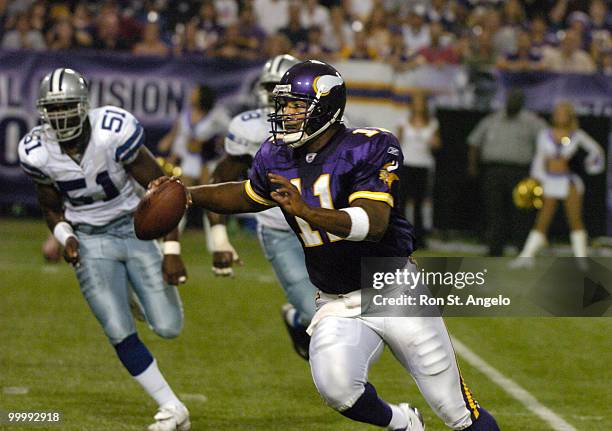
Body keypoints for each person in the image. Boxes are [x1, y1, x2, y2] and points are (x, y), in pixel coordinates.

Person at [149, 60, 499, 431]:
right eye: (284, 105)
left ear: (326, 108)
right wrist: (187, 195)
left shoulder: (371, 146)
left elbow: (373, 224)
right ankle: (404, 423)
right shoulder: (275, 153)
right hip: (336, 299)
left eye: (296, 106)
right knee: (337, 388)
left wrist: (307, 211)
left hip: (392, 289)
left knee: (455, 410)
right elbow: (246, 194)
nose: (286, 114)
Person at [19, 68, 190, 431]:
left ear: (84, 106)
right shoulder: (36, 150)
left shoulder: (113, 131)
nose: (61, 116)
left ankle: (130, 293)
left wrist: (172, 248)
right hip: (89, 237)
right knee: (116, 328)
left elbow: (165, 191)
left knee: (169, 326)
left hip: (135, 228)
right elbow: (52, 209)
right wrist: (67, 238)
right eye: (53, 109)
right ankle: (172, 407)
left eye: (67, 107)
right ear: (42, 112)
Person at [206, 54, 316, 360]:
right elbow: (220, 181)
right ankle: (300, 320)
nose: (279, 97)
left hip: (322, 226)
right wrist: (219, 237)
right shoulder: (249, 127)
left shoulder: (329, 125)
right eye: (273, 88)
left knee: (351, 310)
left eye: (288, 90)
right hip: (279, 230)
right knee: (319, 317)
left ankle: (300, 319)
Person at [515, 101, 605, 260]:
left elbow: (596, 151)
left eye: (563, 113)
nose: (560, 116)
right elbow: (539, 159)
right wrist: (537, 178)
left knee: (575, 220)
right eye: (557, 113)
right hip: (549, 181)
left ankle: (581, 259)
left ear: (569, 116)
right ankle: (526, 256)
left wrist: (589, 166)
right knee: (542, 219)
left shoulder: (577, 135)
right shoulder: (544, 134)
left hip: (567, 182)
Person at [468, 89, 547, 256]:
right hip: (493, 170)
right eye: (511, 99)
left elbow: (547, 142)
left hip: (520, 171)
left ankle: (522, 248)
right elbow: (474, 142)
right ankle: (495, 247)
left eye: (517, 100)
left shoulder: (531, 121)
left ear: (522, 102)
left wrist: (541, 169)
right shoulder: (492, 119)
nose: (513, 103)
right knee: (494, 209)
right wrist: (472, 166)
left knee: (521, 211)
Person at [397, 91, 441, 247]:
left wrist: (433, 142)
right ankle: (399, 235)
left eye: (421, 102)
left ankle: (419, 237)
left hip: (423, 165)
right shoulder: (403, 121)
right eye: (416, 102)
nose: (418, 105)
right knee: (402, 201)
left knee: (419, 202)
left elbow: (437, 144)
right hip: (407, 163)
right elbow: (398, 142)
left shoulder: (433, 123)